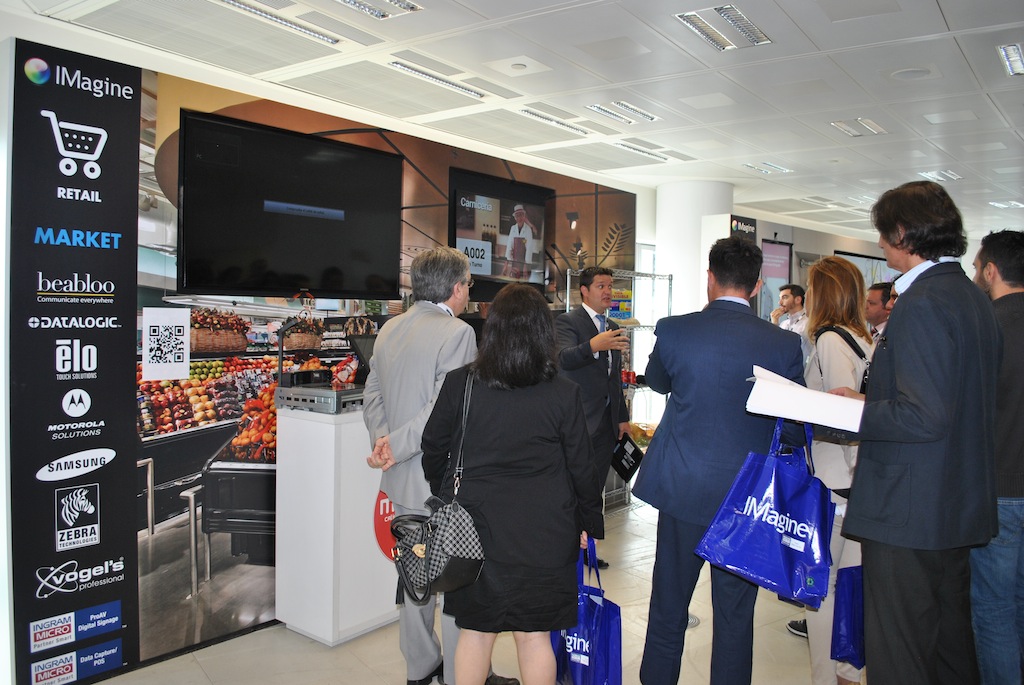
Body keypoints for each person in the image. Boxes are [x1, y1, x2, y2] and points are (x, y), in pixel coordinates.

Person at [833, 180, 1001, 685]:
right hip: (952, 506)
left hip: (909, 512)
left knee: (900, 657)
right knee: (949, 653)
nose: (880, 243)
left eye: (884, 233)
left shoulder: (923, 302)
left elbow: (924, 415)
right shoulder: (971, 297)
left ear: (903, 233)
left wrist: (856, 412)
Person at [632, 236, 806, 685]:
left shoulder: (675, 329)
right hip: (746, 499)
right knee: (735, 617)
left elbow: (657, 381)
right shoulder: (784, 345)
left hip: (683, 487)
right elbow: (793, 427)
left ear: (709, 278)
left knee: (668, 607)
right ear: (757, 285)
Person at [421, 283, 604, 685]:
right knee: (535, 636)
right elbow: (582, 467)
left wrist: (445, 492)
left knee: (475, 632)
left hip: (472, 532)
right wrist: (588, 522)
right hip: (546, 532)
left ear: (493, 329)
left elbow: (432, 447)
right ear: (543, 333)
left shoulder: (461, 383)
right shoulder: (564, 393)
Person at [363, 246, 517, 685]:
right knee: (454, 579)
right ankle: (460, 673)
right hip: (441, 480)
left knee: (414, 577)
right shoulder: (457, 333)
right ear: (455, 288)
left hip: (398, 480)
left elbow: (372, 393)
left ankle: (420, 667)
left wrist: (383, 442)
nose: (468, 291)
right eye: (467, 283)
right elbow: (443, 409)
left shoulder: (390, 328)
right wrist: (398, 445)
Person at [798, 256, 873, 685]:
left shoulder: (829, 340)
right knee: (847, 586)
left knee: (821, 588)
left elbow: (845, 413)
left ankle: (830, 677)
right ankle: (845, 672)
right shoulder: (864, 338)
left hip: (835, 484)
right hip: (854, 484)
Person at [969, 229, 1024, 685]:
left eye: (977, 266)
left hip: (999, 489)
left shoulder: (986, 328)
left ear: (991, 270)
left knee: (993, 610)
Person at [555, 266, 630, 568]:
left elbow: (614, 378)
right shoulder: (568, 321)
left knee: (594, 491)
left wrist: (622, 416)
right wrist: (592, 346)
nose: (608, 291)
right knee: (573, 487)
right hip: (580, 420)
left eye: (610, 286)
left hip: (606, 422)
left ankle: (588, 549)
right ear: (584, 290)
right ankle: (565, 547)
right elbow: (562, 358)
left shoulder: (612, 325)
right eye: (601, 286)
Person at [771, 283, 811, 361]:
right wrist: (774, 324)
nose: (780, 303)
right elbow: (776, 347)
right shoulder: (783, 324)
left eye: (784, 298)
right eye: (780, 298)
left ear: (798, 300)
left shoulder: (808, 323)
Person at [502, 204, 538, 281]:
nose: (519, 218)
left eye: (521, 215)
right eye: (517, 216)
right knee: (513, 282)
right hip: (515, 262)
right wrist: (506, 264)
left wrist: (525, 266)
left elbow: (529, 248)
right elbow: (509, 246)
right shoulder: (513, 228)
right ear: (515, 218)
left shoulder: (528, 229)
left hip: (525, 263)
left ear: (524, 216)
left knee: (523, 282)